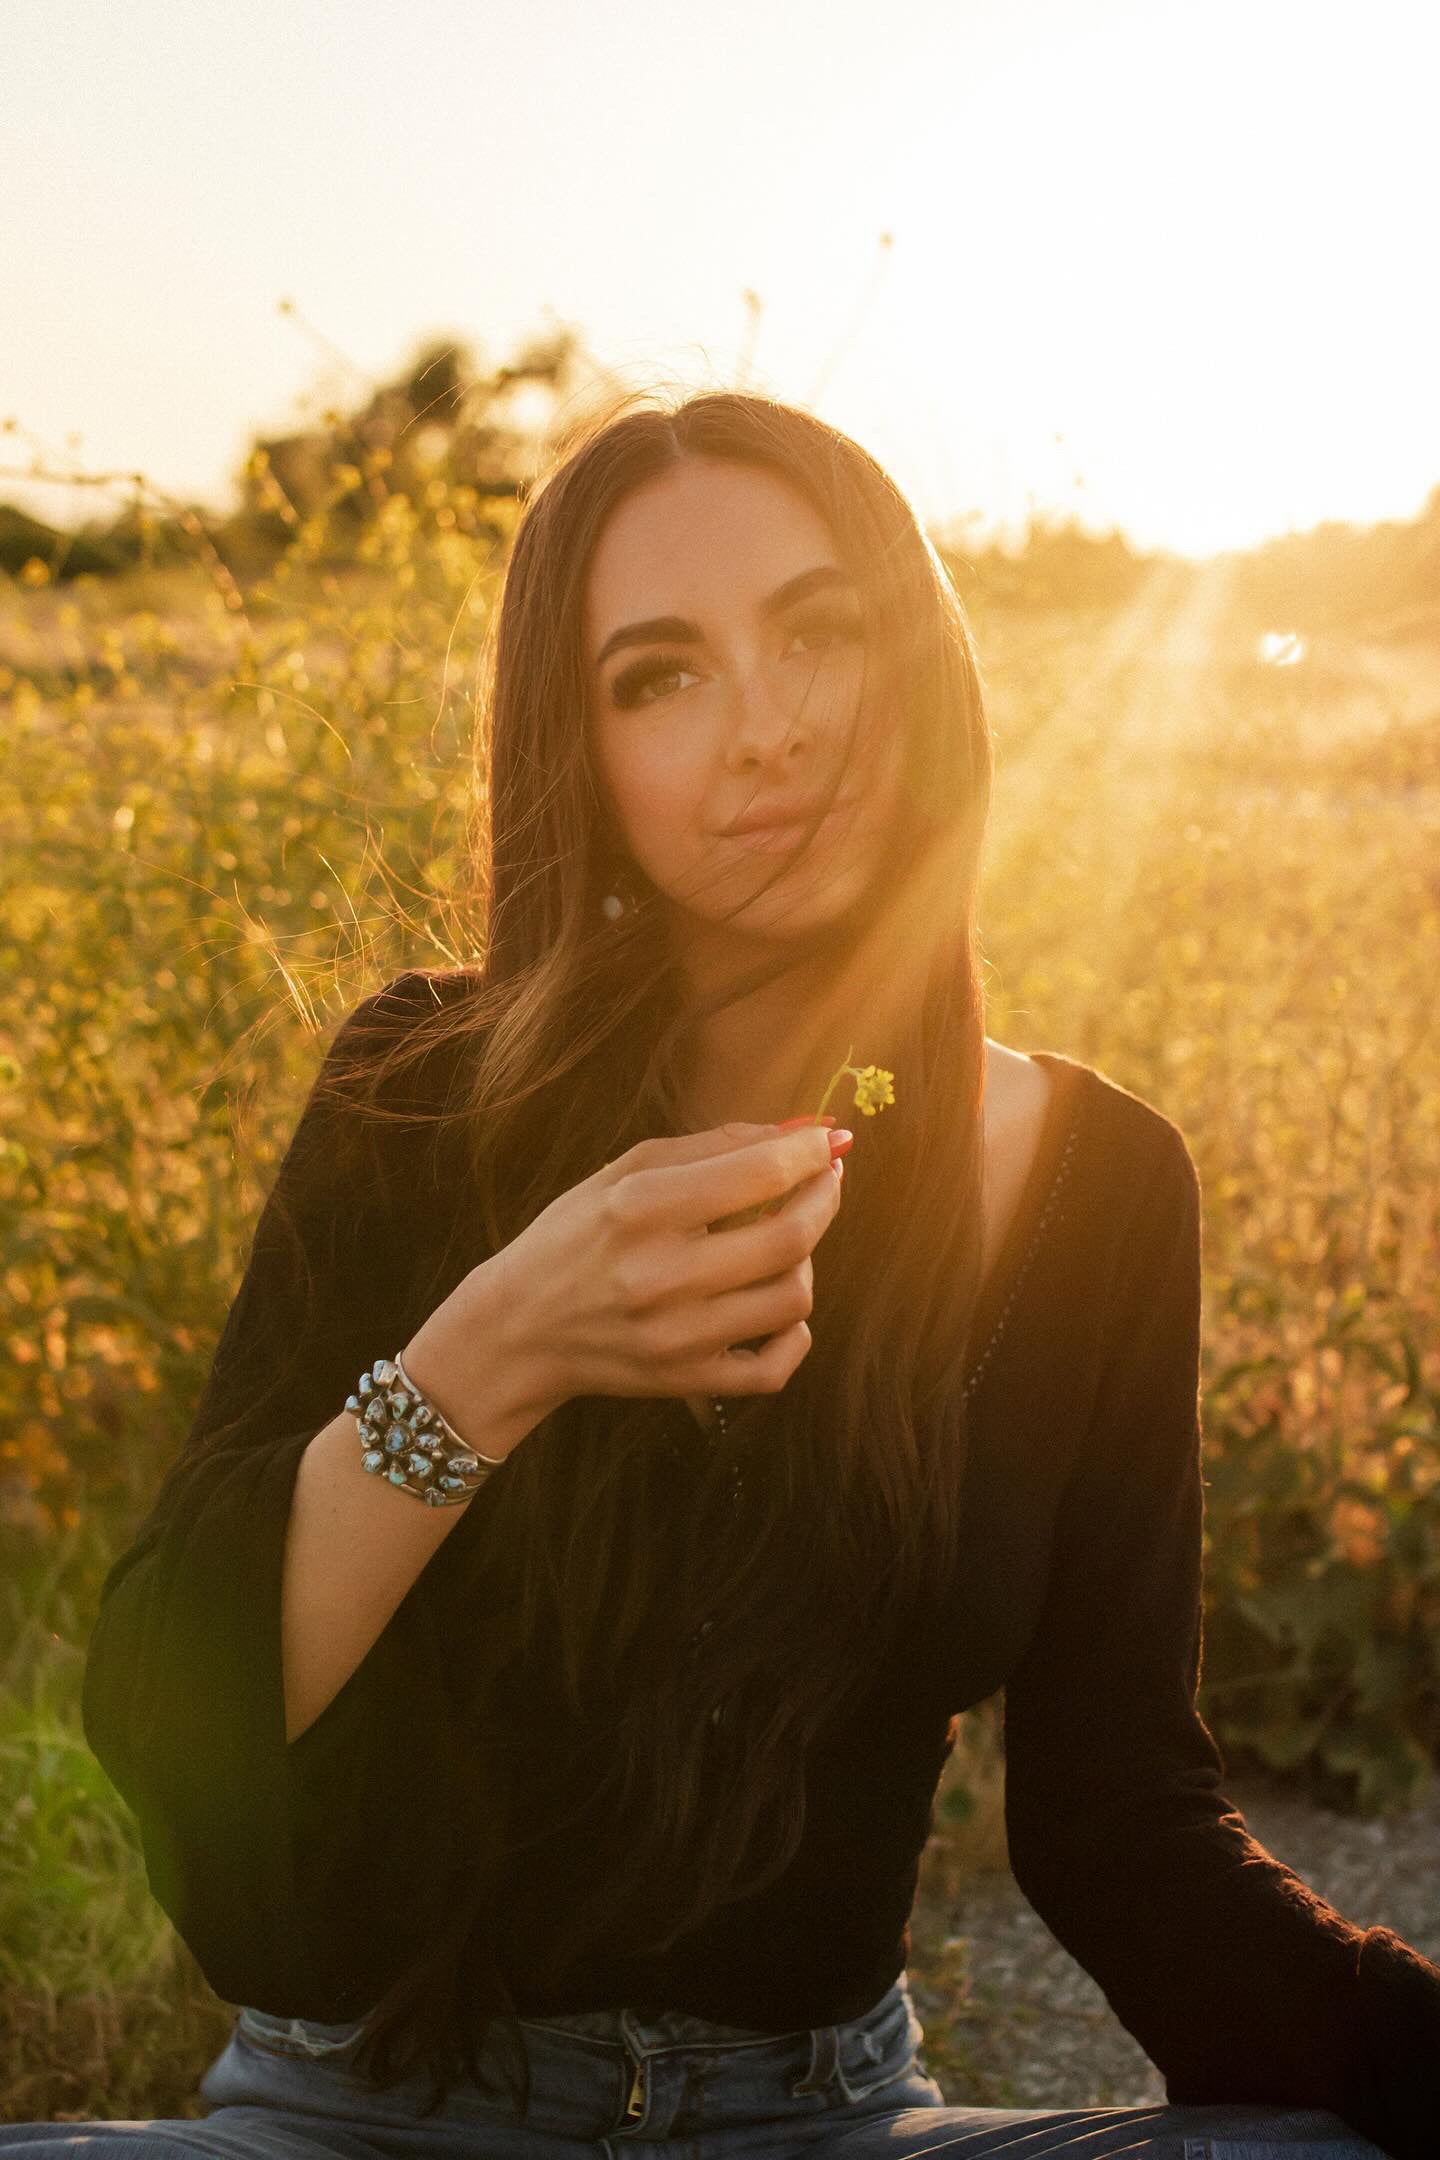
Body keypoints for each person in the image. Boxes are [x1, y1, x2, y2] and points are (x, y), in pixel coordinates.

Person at [7, 391, 1436, 2160]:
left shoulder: (1095, 1186)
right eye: (660, 677)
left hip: (823, 2127)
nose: (770, 731)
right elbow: (176, 1727)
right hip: (361, 2118)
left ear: (917, 659)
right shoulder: (423, 1093)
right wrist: (491, 1356)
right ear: (580, 756)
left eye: (821, 633)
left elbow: (1123, 1829)